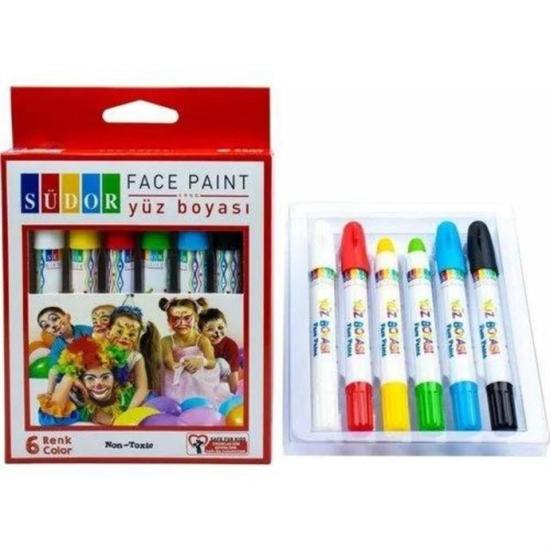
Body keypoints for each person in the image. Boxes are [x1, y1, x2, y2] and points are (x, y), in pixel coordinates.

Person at [37, 336, 137, 426]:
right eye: (90, 378)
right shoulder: (83, 409)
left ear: (115, 378)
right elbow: (47, 421)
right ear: (81, 381)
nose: (98, 383)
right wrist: (69, 376)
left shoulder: (127, 395)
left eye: (105, 377)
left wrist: (114, 421)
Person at [159, 297, 231, 406]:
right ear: (169, 321)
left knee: (192, 377)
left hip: (200, 376)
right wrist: (178, 365)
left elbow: (211, 362)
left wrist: (201, 361)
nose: (181, 323)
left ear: (196, 318)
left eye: (187, 318)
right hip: (176, 378)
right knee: (185, 376)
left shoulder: (202, 340)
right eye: (175, 319)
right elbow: (167, 360)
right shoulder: (166, 341)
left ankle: (198, 402)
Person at [106, 305, 161, 402]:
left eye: (131, 334)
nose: (125, 337)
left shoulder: (135, 357)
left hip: (123, 400)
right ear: (108, 332)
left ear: (137, 338)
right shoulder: (98, 351)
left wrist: (129, 410)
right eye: (119, 331)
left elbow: (142, 389)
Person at [37, 306, 93, 396]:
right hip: (75, 372)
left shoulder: (87, 331)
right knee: (53, 371)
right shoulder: (56, 347)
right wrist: (73, 379)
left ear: (67, 317)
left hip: (93, 365)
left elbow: (102, 343)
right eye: (47, 326)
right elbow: (56, 366)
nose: (53, 326)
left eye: (54, 319)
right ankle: (49, 395)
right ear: (47, 332)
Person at [198, 307, 241, 393]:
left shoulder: (230, 345)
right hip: (202, 379)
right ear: (200, 331)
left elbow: (233, 374)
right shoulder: (198, 343)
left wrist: (234, 396)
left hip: (220, 381)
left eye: (220, 327)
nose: (217, 332)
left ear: (226, 326)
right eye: (210, 329)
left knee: (221, 363)